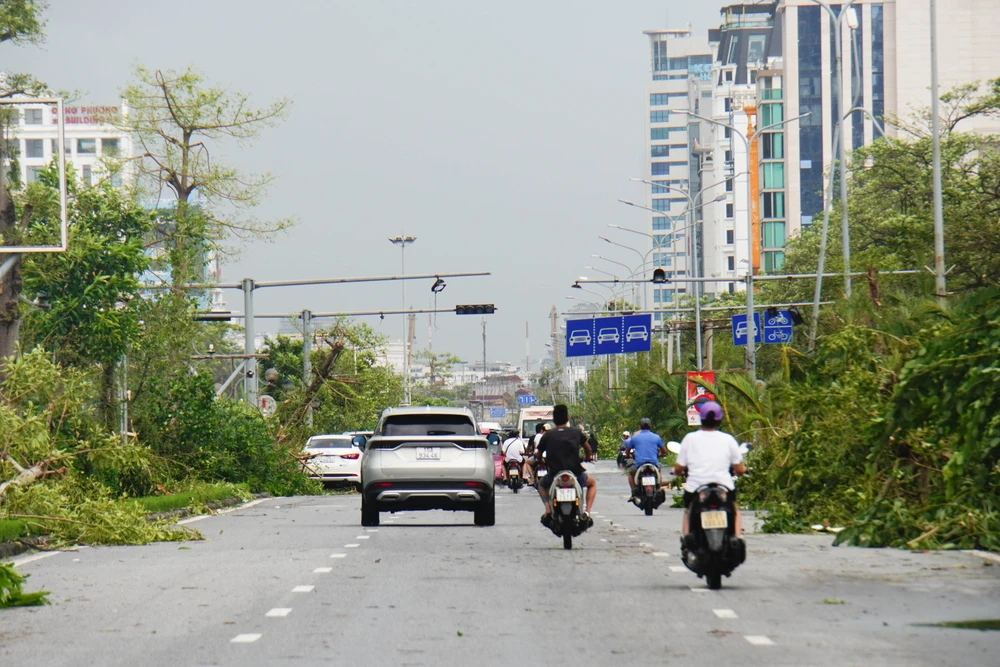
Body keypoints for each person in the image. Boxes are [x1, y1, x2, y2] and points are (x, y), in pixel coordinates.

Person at [672, 401, 746, 539]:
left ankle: (687, 540)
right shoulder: (728, 439)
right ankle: (736, 537)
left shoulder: (690, 439)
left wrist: (676, 471)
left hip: (695, 487)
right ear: (719, 419)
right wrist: (741, 471)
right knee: (734, 509)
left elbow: (679, 467)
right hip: (724, 487)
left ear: (701, 419)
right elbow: (739, 468)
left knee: (688, 510)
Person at [536, 404, 597, 528]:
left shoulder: (548, 435)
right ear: (567, 418)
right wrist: (587, 457)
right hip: (575, 473)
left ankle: (548, 510)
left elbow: (538, 454)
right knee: (592, 483)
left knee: (541, 484)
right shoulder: (576, 432)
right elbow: (588, 449)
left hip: (554, 474)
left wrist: (541, 460)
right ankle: (587, 512)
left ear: (554, 419)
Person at [625, 417, 667, 503]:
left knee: (630, 473)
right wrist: (661, 455)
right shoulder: (656, 437)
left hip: (639, 464)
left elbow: (627, 451)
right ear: (650, 426)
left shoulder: (635, 438)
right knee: (659, 471)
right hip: (653, 463)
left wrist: (629, 455)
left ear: (640, 427)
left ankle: (634, 493)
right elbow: (664, 451)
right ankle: (658, 489)